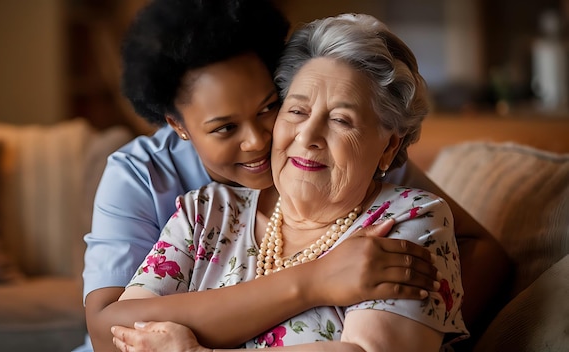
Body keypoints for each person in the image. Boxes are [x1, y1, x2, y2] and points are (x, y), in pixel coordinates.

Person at [79, 0, 510, 351]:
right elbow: (115, 332)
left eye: (269, 108)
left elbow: (475, 250)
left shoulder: (397, 205)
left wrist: (427, 322)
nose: (261, 142)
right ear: (178, 126)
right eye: (297, 111)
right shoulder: (190, 203)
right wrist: (314, 283)